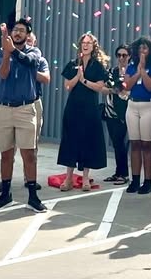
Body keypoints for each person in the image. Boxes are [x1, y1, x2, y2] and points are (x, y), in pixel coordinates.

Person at [0, 19, 50, 213]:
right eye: (15, 30)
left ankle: (33, 197)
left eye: (21, 30)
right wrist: (7, 53)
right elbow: (3, 74)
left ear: (27, 35)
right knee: (6, 154)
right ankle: (5, 194)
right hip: (4, 108)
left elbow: (30, 62)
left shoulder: (34, 52)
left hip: (25, 109)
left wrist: (14, 51)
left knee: (29, 155)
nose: (17, 33)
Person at [57, 32, 109, 191]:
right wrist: (77, 77)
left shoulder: (97, 66)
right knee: (71, 141)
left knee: (88, 141)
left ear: (93, 47)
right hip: (73, 108)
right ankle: (68, 178)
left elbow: (99, 87)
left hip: (90, 108)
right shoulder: (72, 64)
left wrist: (84, 80)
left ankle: (85, 178)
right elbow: (67, 86)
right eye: (83, 43)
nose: (85, 45)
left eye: (89, 43)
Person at [123, 37, 151, 195]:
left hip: (150, 106)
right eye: (139, 48)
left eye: (145, 48)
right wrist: (138, 70)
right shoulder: (132, 66)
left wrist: (143, 70)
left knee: (146, 144)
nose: (142, 51)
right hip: (133, 106)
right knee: (134, 144)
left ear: (150, 50)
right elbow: (127, 86)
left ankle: (147, 181)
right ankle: (135, 180)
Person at [101, 44, 131, 185]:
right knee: (116, 143)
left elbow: (126, 91)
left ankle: (124, 174)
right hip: (110, 111)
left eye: (124, 55)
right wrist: (114, 89)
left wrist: (118, 87)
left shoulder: (131, 72)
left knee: (121, 143)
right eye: (119, 55)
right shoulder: (112, 71)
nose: (121, 58)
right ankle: (118, 172)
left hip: (124, 113)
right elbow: (104, 87)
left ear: (129, 56)